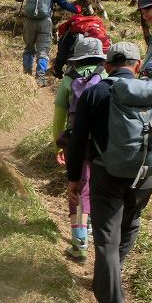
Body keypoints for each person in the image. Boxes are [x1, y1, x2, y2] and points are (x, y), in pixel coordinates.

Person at [64, 42, 152, 303]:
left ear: (107, 65)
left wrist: (74, 177)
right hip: (147, 175)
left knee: (106, 238)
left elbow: (77, 140)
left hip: (108, 175)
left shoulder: (95, 92)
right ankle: (109, 275)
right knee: (131, 224)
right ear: (137, 66)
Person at [53, 36, 107, 262]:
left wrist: (59, 145)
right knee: (94, 186)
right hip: (104, 142)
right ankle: (91, 227)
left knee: (77, 189)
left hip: (77, 141)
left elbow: (59, 117)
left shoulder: (67, 80)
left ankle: (79, 243)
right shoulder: (106, 76)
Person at [14, 0, 81, 86]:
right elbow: (63, 3)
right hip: (45, 22)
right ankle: (40, 78)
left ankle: (26, 75)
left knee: (29, 48)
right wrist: (75, 9)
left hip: (29, 22)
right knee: (43, 50)